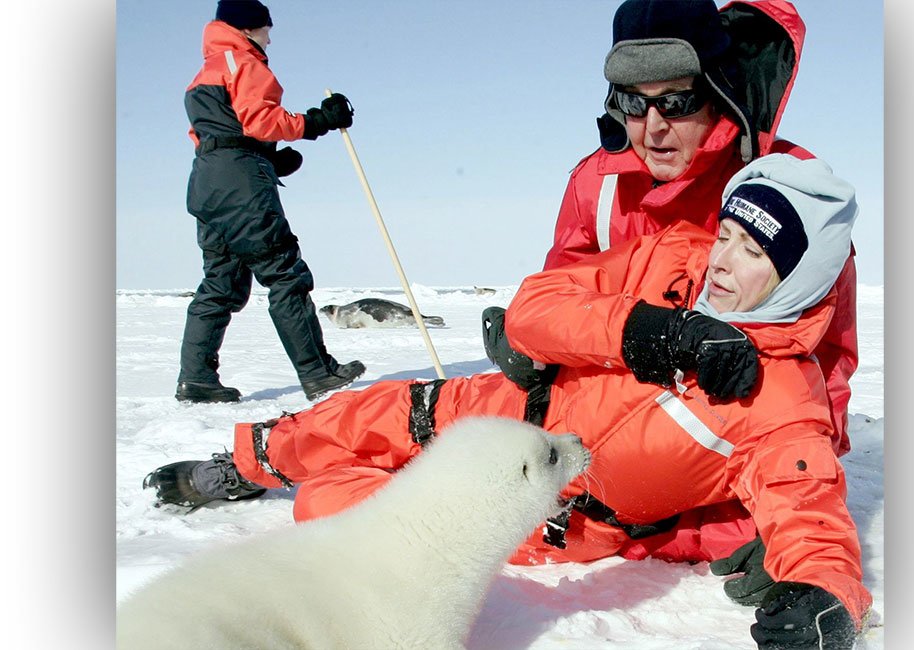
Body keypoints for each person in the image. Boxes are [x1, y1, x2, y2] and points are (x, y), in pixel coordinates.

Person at [145, 154, 871, 649]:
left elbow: (808, 509)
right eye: (730, 232)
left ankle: (316, 493)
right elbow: (538, 304)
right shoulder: (671, 260)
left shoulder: (779, 400)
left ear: (799, 277)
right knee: (360, 417)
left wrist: (821, 596)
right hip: (500, 404)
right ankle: (248, 462)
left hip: (554, 503)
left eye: (754, 251)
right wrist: (644, 326)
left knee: (332, 511)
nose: (722, 259)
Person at [486, 0, 860, 587]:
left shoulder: (786, 191)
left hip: (715, 473)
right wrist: (530, 352)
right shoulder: (597, 183)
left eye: (676, 101)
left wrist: (770, 520)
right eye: (633, 102)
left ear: (718, 91)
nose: (653, 126)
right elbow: (563, 297)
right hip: (591, 455)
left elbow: (825, 364)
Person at [176, 0, 365, 404]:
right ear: (247, 28)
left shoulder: (205, 72)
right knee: (284, 273)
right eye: (266, 28)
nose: (269, 36)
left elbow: (217, 132)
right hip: (239, 182)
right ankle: (318, 372)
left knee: (220, 284)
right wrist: (317, 122)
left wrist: (267, 157)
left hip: (208, 181)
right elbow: (259, 120)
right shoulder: (243, 62)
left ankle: (196, 379)